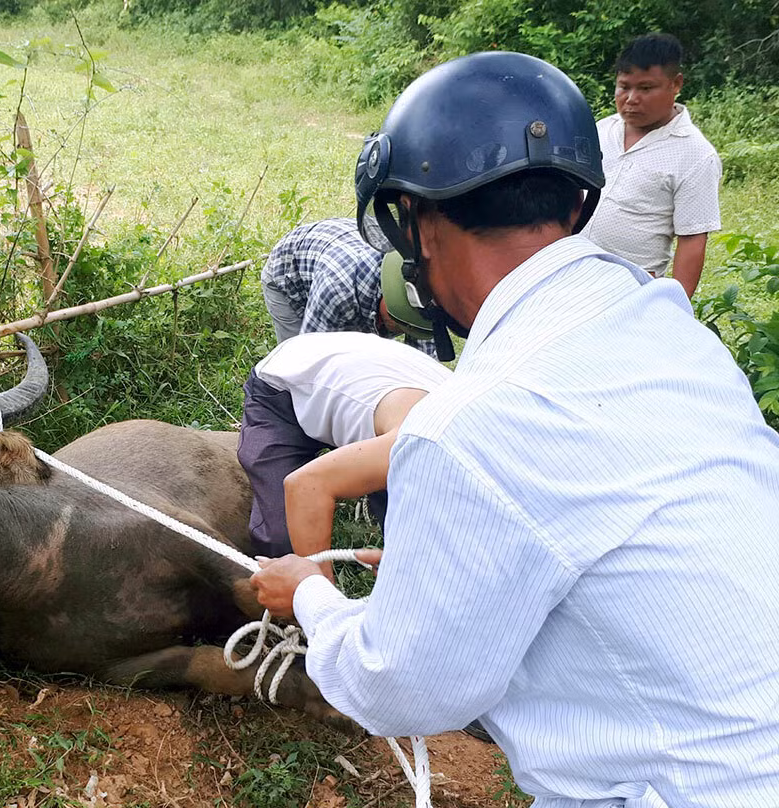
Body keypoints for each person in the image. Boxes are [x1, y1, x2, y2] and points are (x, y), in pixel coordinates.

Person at [251, 51, 779, 807]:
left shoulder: (466, 428)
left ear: (421, 228)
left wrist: (310, 594)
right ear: (576, 204)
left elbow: (401, 688)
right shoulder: (671, 334)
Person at [236, 328, 450, 566]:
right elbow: (305, 485)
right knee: (282, 538)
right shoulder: (415, 444)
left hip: (366, 376)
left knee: (408, 534)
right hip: (286, 381)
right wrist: (316, 593)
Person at [580, 33, 722, 298]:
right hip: (571, 275)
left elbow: (691, 240)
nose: (631, 98)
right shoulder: (601, 130)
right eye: (624, 86)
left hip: (630, 291)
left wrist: (676, 307)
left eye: (646, 88)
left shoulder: (695, 154)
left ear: (676, 84)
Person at [260, 217, 393, 341]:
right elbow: (313, 358)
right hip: (285, 271)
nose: (406, 328)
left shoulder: (409, 293)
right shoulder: (337, 288)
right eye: (400, 323)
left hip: (332, 256)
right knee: (295, 354)